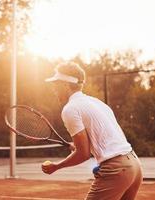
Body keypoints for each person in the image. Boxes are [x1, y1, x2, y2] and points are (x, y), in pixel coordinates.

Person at [42, 62, 143, 200]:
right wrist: (80, 147)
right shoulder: (96, 102)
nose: (54, 89)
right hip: (134, 165)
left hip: (117, 169)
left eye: (56, 85)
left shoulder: (70, 109)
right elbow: (107, 139)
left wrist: (56, 166)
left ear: (65, 85)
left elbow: (83, 154)